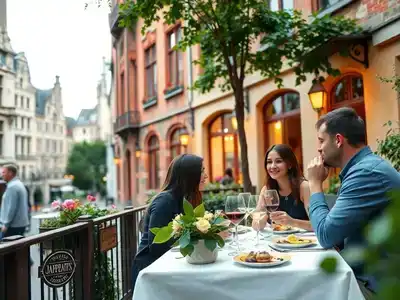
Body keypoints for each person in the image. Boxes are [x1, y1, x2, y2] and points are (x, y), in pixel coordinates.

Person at [306, 107, 400, 299]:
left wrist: (315, 184)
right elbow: (337, 235)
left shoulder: (366, 173)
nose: (319, 148)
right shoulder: (363, 168)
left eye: (321, 140)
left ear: (339, 140)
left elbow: (326, 235)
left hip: (377, 287)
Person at [132, 154, 208, 290]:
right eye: (201, 171)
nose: (206, 176)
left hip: (172, 267)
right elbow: (157, 247)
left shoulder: (188, 198)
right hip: (151, 273)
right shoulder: (165, 201)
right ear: (189, 175)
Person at [253, 144, 312, 231]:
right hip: (277, 242)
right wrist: (263, 217)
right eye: (269, 162)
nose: (272, 166)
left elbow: (318, 225)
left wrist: (292, 222)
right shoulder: (267, 189)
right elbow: (255, 225)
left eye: (278, 161)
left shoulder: (304, 187)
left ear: (289, 164)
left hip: (304, 241)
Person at [0, 165, 30, 238]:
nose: (1, 175)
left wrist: (5, 225)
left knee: (7, 248)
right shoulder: (18, 184)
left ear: (10, 173)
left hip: (12, 226)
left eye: (4, 172)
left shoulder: (12, 187)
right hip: (19, 225)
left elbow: (11, 208)